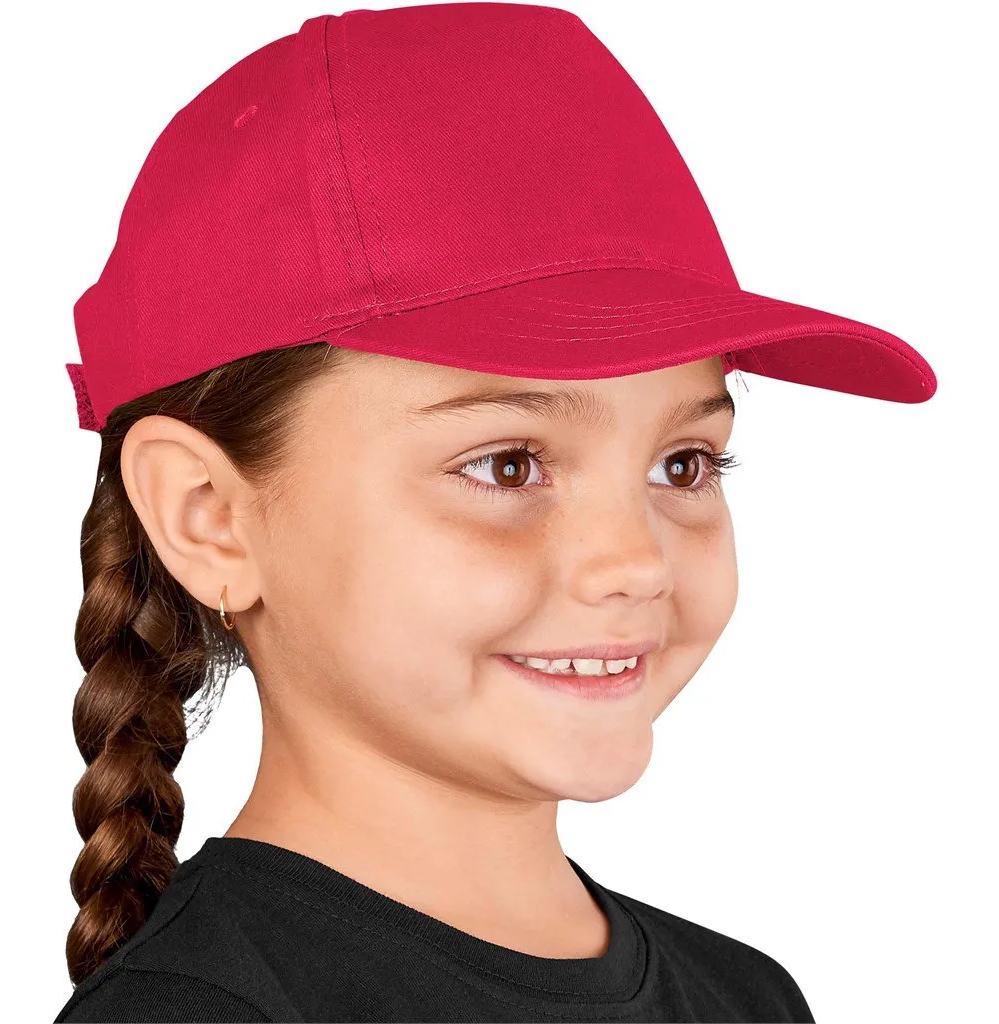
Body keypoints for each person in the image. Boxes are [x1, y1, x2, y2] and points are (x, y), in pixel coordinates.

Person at [53, 4, 936, 1022]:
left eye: (683, 462)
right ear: (209, 516)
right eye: (509, 465)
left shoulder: (747, 998)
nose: (636, 562)